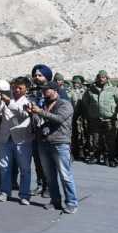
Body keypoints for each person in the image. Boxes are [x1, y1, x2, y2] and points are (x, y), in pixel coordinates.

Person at [30, 81, 79, 213]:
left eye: (46, 89)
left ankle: (72, 203)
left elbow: (59, 119)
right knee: (50, 176)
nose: (43, 92)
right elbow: (39, 122)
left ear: (55, 90)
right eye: (43, 90)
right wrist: (33, 113)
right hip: (44, 142)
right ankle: (55, 201)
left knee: (65, 175)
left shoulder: (65, 104)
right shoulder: (44, 104)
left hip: (60, 143)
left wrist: (40, 111)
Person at [0, 77, 34, 204]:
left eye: (20, 88)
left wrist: (8, 102)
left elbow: (23, 114)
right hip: (5, 138)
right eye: (15, 87)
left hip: (22, 139)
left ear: (26, 89)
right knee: (4, 167)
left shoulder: (28, 101)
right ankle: (4, 191)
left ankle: (24, 195)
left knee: (25, 168)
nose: (16, 90)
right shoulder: (6, 97)